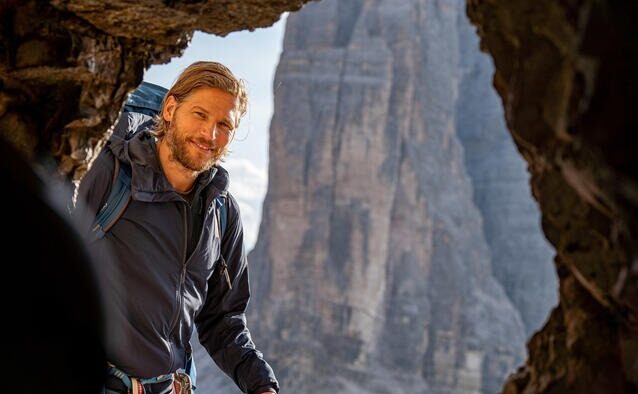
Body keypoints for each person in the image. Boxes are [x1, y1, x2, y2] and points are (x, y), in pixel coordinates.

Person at [76, 61, 279, 394]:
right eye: (200, 115)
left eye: (224, 124)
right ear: (170, 108)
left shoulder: (222, 211)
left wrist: (261, 385)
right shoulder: (108, 173)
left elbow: (222, 321)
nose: (209, 135)